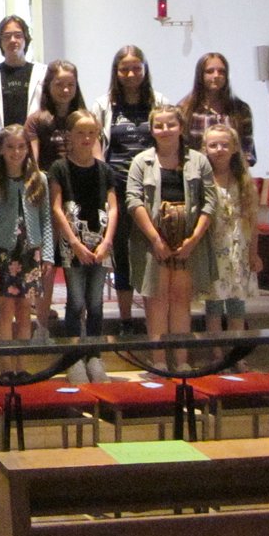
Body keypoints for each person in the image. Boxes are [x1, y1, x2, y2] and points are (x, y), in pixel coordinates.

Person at [126, 105, 216, 372]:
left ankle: (182, 361)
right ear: (152, 130)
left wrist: (193, 240)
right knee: (156, 300)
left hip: (188, 240)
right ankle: (159, 361)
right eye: (159, 126)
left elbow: (209, 203)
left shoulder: (198, 161)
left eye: (170, 125)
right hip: (152, 240)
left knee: (180, 300)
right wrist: (156, 239)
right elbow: (133, 201)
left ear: (181, 128)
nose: (165, 130)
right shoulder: (142, 161)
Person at [91, 45, 170, 335]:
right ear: (116, 72)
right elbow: (98, 144)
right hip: (119, 185)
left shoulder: (159, 102)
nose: (131, 73)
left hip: (153, 186)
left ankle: (158, 319)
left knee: (154, 247)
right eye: (124, 68)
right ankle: (125, 319)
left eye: (136, 67)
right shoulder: (104, 104)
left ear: (145, 69)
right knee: (122, 252)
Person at [23, 60, 90, 342]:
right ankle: (41, 326)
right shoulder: (38, 120)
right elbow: (34, 163)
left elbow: (92, 158)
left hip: (78, 198)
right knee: (47, 264)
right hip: (48, 198)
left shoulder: (84, 118)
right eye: (59, 84)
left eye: (70, 84)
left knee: (78, 263)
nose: (65, 89)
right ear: (48, 86)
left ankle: (81, 321)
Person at [48, 111, 117, 384]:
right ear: (69, 137)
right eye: (80, 133)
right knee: (76, 301)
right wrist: (75, 243)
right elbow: (56, 207)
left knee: (96, 302)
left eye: (91, 133)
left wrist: (108, 241)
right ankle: (74, 355)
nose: (86, 138)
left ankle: (94, 354)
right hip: (73, 244)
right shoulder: (59, 168)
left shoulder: (105, 170)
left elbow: (113, 209)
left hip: (101, 244)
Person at [0, 125, 53, 365]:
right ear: (0, 149)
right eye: (10, 147)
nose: (16, 152)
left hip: (30, 252)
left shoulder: (39, 179)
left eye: (21, 147)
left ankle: (21, 365)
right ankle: (6, 366)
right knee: (5, 309)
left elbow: (46, 220)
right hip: (4, 254)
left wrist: (48, 254)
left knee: (24, 310)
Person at [202, 124, 261, 366]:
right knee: (214, 305)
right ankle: (216, 354)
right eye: (213, 145)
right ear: (205, 148)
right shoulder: (203, 178)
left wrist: (254, 253)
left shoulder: (243, 181)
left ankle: (236, 354)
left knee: (236, 304)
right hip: (213, 250)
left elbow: (252, 220)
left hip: (239, 250)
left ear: (235, 148)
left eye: (225, 144)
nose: (219, 149)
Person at [180, 52, 257, 165]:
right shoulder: (185, 109)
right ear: (200, 75)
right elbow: (181, 150)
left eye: (221, 71)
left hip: (232, 176)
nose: (216, 75)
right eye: (210, 71)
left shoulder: (240, 109)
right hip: (196, 175)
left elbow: (247, 150)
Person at [0, 14, 46, 128]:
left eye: (18, 35)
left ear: (26, 39)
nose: (13, 40)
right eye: (7, 36)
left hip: (34, 140)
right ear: (0, 41)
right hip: (1, 141)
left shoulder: (42, 73)